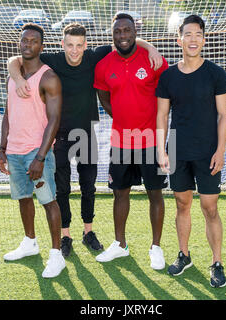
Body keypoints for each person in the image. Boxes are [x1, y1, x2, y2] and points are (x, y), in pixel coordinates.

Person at [7, 23, 164, 258]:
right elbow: (15, 59)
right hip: (59, 135)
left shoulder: (94, 56)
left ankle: (88, 232)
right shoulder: (53, 60)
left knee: (88, 186)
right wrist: (18, 79)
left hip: (86, 132)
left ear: (86, 45)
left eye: (79, 45)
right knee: (62, 187)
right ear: (62, 44)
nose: (74, 50)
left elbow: (124, 42)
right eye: (70, 45)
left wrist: (149, 46)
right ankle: (66, 235)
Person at [156, 15, 226, 287]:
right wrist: (161, 150)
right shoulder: (168, 77)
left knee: (210, 208)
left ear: (204, 39)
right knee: (182, 204)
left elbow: (224, 115)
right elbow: (162, 116)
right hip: (177, 150)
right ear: (179, 39)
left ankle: (217, 262)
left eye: (198, 34)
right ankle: (184, 255)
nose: (193, 39)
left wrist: (220, 150)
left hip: (208, 151)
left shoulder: (215, 74)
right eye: (188, 34)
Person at [93, 13, 169, 270]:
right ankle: (120, 245)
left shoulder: (153, 60)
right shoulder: (104, 64)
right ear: (112, 34)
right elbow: (103, 96)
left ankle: (156, 247)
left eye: (127, 30)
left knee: (155, 194)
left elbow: (165, 99)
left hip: (151, 139)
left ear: (136, 32)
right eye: (118, 32)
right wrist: (121, 117)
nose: (123, 36)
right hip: (120, 140)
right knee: (119, 193)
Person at [0, 23, 65, 278]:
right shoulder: (12, 77)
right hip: (14, 152)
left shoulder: (49, 78)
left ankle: (56, 255)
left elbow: (54, 121)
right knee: (23, 198)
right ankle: (30, 242)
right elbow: (7, 114)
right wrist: (2, 148)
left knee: (49, 201)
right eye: (24, 41)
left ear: (42, 46)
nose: (28, 45)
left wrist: (40, 156)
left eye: (33, 41)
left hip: (37, 153)